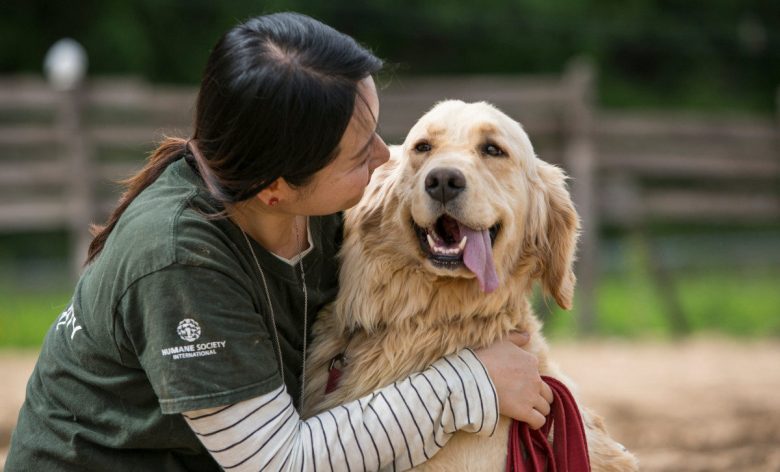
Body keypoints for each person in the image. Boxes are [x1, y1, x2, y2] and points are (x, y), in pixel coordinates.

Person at [6, 12, 553, 471]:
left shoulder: (317, 205)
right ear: (276, 188)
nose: (385, 159)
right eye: (360, 153)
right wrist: (470, 385)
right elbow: (279, 463)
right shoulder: (178, 260)